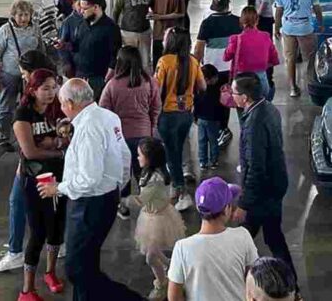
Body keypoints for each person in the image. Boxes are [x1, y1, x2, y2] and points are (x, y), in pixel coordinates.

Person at [36, 78, 143, 301]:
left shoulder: (87, 129)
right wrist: (117, 186)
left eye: (62, 103)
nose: (62, 108)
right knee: (87, 260)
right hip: (106, 197)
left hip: (88, 203)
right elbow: (124, 155)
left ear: (70, 102)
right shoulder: (107, 116)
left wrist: (59, 188)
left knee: (77, 269)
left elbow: (89, 179)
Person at [0, 49, 55, 274]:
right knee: (21, 204)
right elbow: (29, 150)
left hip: (42, 169)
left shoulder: (53, 101)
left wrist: (55, 148)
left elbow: (32, 150)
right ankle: (21, 250)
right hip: (31, 167)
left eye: (24, 73)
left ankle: (19, 251)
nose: (22, 77)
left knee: (30, 206)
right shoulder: (26, 108)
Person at [230, 74, 296, 283]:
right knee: (272, 237)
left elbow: (256, 168)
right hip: (275, 186)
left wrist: (244, 204)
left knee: (248, 239)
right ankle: (291, 286)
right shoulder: (267, 108)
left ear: (245, 97)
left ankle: (238, 283)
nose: (232, 96)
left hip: (263, 193)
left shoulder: (254, 124)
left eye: (234, 93)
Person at [13, 69, 67, 301]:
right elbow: (30, 152)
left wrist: (55, 144)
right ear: (32, 90)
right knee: (38, 231)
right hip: (34, 180)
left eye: (53, 87)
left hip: (59, 178)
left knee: (56, 228)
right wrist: (57, 148)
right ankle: (27, 289)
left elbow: (68, 137)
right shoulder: (23, 114)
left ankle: (50, 273)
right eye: (45, 88)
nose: (50, 93)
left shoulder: (58, 109)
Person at [167, 177, 259, 301]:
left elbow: (173, 296)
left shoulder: (182, 248)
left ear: (199, 209)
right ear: (227, 209)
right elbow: (255, 281)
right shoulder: (243, 236)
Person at [100, 45, 160, 220]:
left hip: (121, 137)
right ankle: (148, 204)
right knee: (143, 172)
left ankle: (124, 206)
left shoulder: (112, 85)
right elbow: (156, 107)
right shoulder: (149, 81)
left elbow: (104, 110)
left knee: (124, 172)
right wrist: (151, 126)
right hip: (144, 134)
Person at [156, 27, 205, 212]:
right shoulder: (193, 61)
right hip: (186, 114)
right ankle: (176, 190)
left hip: (167, 114)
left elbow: (157, 88)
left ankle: (182, 191)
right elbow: (202, 85)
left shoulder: (164, 61)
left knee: (172, 155)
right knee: (177, 150)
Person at [131, 138, 186, 300]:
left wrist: (121, 200)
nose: (137, 158)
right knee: (154, 251)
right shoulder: (156, 172)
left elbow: (140, 201)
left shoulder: (154, 180)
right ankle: (170, 266)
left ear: (149, 158)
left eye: (140, 155)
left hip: (155, 219)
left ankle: (162, 284)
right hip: (158, 214)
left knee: (150, 257)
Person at [193, 0, 242, 151]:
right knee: (225, 99)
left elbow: (199, 49)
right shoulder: (237, 21)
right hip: (230, 70)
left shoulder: (207, 23)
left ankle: (215, 131)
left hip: (211, 70)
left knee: (211, 99)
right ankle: (223, 128)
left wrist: (195, 68)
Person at [0, 0, 42, 150]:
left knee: (31, 106)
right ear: (13, 15)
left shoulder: (35, 28)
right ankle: (3, 138)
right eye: (20, 15)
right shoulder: (5, 30)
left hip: (31, 75)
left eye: (26, 14)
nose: (23, 18)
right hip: (10, 75)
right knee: (6, 107)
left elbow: (41, 49)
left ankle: (29, 137)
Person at [273, 0, 323, 99]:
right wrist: (321, 23)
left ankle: (293, 88)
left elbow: (278, 11)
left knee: (290, 59)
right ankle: (311, 84)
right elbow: (317, 9)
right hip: (305, 28)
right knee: (311, 58)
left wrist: (276, 27)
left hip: (288, 28)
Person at [66, 0, 122, 97]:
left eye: (85, 8)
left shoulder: (110, 27)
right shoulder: (82, 23)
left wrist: (109, 73)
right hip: (80, 74)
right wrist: (64, 45)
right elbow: (76, 44)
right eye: (80, 7)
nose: (81, 11)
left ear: (96, 7)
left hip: (98, 77)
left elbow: (115, 54)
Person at [225, 7, 280, 103]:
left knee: (243, 112)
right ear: (257, 20)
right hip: (261, 78)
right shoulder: (265, 36)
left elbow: (226, 57)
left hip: (241, 81)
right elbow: (274, 59)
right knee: (262, 108)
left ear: (241, 21)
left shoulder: (235, 39)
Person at [114, 0, 154, 75]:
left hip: (145, 31)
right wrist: (115, 29)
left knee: (146, 61)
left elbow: (154, 6)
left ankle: (147, 83)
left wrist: (153, 14)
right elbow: (116, 11)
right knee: (130, 60)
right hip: (128, 32)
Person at [148, 0, 185, 67]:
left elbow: (180, 13)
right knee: (157, 62)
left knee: (171, 62)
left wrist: (160, 17)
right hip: (158, 33)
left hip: (171, 33)